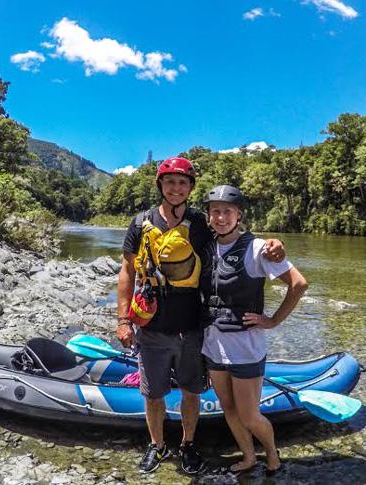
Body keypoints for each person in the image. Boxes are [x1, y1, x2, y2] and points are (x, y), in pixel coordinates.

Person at [116, 159, 285, 475]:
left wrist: (272, 245)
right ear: (161, 186)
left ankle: (188, 444)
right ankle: (157, 445)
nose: (176, 188)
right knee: (153, 393)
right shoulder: (140, 223)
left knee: (191, 391)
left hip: (193, 326)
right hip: (151, 325)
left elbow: (232, 236)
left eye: (182, 183)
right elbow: (127, 271)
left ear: (190, 188)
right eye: (170, 182)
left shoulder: (200, 224)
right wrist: (123, 320)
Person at [199, 185, 308, 476]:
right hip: (213, 343)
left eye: (228, 211)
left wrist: (273, 320)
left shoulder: (258, 248)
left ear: (239, 215)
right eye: (215, 212)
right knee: (229, 409)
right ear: (209, 216)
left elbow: (299, 284)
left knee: (248, 414)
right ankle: (248, 457)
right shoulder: (206, 246)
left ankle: (272, 454)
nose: (221, 217)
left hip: (245, 345)